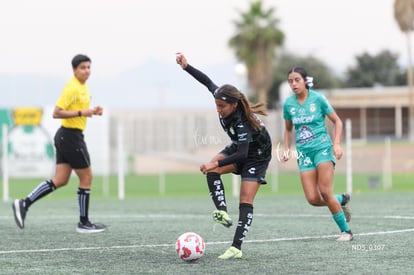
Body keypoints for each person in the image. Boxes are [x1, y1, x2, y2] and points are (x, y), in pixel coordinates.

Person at [176, 53, 272, 259]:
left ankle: (236, 247)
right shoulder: (223, 97)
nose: (218, 110)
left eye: (222, 107)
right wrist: (186, 66)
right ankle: (222, 211)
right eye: (216, 105)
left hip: (257, 155)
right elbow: (207, 82)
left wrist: (216, 164)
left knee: (245, 199)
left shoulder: (241, 122)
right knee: (212, 168)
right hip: (240, 146)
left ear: (234, 105)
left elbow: (242, 154)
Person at [12, 54, 106, 233]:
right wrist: (81, 112)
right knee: (86, 178)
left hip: (67, 136)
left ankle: (24, 203)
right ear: (74, 70)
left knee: (61, 179)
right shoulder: (72, 88)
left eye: (88, 67)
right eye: (82, 68)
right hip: (70, 137)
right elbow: (57, 113)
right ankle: (84, 223)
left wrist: (92, 111)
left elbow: (80, 110)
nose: (87, 70)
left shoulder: (82, 87)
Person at [281, 67, 352, 241]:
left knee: (325, 192)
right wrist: (287, 149)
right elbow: (288, 129)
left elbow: (337, 122)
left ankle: (346, 232)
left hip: (323, 149)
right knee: (313, 198)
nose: (294, 84)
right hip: (304, 154)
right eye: (290, 81)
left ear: (305, 81)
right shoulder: (289, 104)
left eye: (297, 79)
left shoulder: (318, 99)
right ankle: (340, 200)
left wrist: (336, 144)